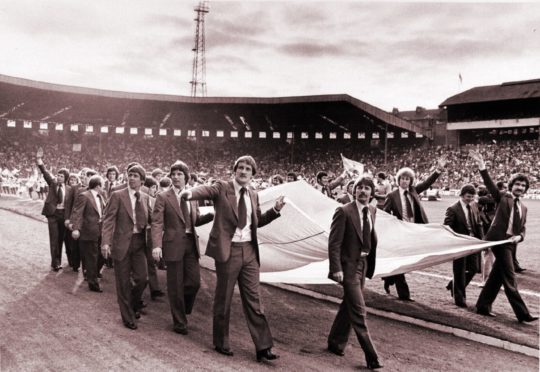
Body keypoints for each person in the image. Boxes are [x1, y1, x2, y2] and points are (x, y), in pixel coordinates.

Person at [181, 155, 285, 362]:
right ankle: (221, 341)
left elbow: (257, 222)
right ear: (235, 170)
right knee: (224, 297)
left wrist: (275, 211)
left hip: (249, 252)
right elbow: (205, 190)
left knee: (254, 300)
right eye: (241, 167)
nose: (244, 171)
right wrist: (189, 193)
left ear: (253, 174)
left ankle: (263, 346)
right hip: (228, 251)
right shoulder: (222, 187)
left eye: (248, 169)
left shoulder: (253, 195)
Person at [470, 150, 538, 323]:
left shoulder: (523, 208)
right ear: (511, 185)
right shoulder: (502, 197)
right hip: (498, 241)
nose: (520, 188)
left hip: (510, 243)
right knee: (510, 278)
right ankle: (523, 314)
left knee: (497, 277)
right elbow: (490, 184)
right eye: (517, 184)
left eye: (523, 186)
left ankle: (482, 306)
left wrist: (519, 238)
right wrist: (482, 166)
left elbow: (522, 229)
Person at [152, 161, 214, 335]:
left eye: (179, 174)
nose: (176, 177)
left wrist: (212, 215)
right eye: (173, 174)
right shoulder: (163, 196)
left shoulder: (192, 196)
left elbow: (195, 220)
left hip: (191, 244)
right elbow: (157, 222)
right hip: (172, 245)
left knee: (193, 283)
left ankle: (183, 308)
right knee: (175, 285)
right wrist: (156, 246)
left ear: (186, 177)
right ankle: (179, 321)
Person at [327, 177, 382, 370]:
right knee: (359, 311)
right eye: (359, 187)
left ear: (372, 193)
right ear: (354, 190)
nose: (363, 191)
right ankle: (372, 356)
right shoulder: (343, 211)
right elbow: (334, 243)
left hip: (363, 265)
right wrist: (336, 269)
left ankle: (335, 342)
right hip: (349, 267)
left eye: (367, 188)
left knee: (348, 305)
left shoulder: (373, 210)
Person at [382, 158, 447, 301]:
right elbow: (386, 214)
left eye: (407, 179)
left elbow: (428, 183)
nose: (404, 181)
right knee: (400, 260)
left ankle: (389, 278)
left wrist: (438, 169)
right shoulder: (392, 196)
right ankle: (404, 294)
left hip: (414, 231)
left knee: (408, 260)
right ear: (398, 180)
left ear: (411, 181)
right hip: (399, 233)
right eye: (402, 179)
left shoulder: (414, 191)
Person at [101, 165, 152, 330]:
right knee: (122, 283)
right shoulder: (117, 195)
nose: (131, 178)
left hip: (139, 243)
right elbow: (108, 220)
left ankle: (133, 303)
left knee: (142, 279)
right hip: (121, 243)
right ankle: (128, 317)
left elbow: (151, 219)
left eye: (136, 176)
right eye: (130, 175)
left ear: (142, 180)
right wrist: (105, 242)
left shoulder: (145, 197)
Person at [443, 184, 483, 308]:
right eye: (468, 197)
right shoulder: (453, 208)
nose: (470, 199)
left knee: (474, 268)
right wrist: (454, 241)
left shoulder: (474, 207)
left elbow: (478, 223)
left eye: (472, 197)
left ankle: (453, 285)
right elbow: (447, 226)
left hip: (472, 241)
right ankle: (460, 299)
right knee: (459, 270)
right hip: (459, 244)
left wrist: (481, 240)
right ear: (461, 195)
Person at [35, 147, 71, 271]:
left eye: (61, 176)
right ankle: (55, 263)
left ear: (66, 178)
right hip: (53, 214)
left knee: (61, 238)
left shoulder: (70, 188)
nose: (59, 177)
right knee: (54, 238)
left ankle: (58, 261)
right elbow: (44, 172)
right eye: (58, 175)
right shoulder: (53, 183)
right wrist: (39, 159)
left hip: (63, 214)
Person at [70, 175, 106, 293]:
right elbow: (77, 213)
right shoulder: (84, 196)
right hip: (89, 231)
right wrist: (76, 228)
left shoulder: (100, 197)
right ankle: (93, 283)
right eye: (103, 185)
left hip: (100, 230)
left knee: (101, 256)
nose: (104, 187)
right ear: (97, 186)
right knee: (92, 257)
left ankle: (90, 274)